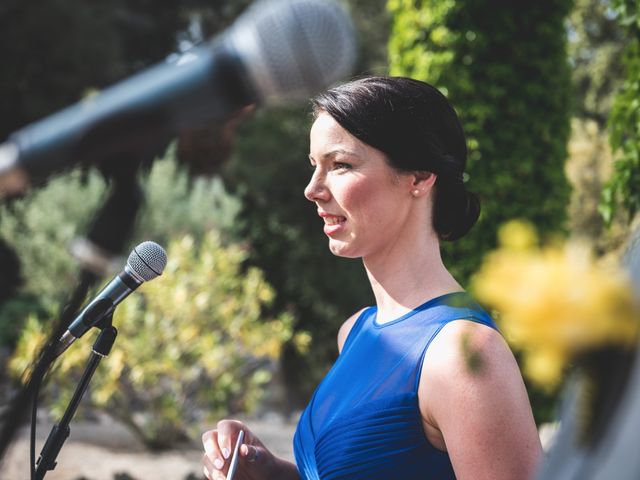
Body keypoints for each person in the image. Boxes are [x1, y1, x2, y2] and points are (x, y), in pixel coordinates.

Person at [201, 76, 542, 480]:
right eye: (314, 167)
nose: (312, 189)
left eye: (340, 165)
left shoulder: (465, 355)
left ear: (419, 176)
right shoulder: (357, 331)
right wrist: (270, 473)